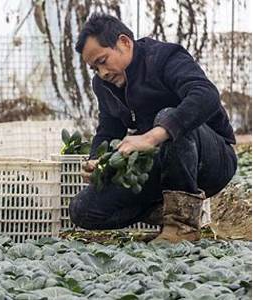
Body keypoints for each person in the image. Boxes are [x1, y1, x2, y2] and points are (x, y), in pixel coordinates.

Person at [69, 13, 237, 242]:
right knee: (82, 209)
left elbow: (206, 95)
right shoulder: (103, 85)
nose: (102, 73)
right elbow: (108, 129)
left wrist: (152, 136)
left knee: (167, 116)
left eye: (102, 61)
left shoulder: (164, 57)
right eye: (94, 68)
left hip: (211, 160)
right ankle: (167, 212)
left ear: (124, 43)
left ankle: (182, 226)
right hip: (158, 165)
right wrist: (96, 160)